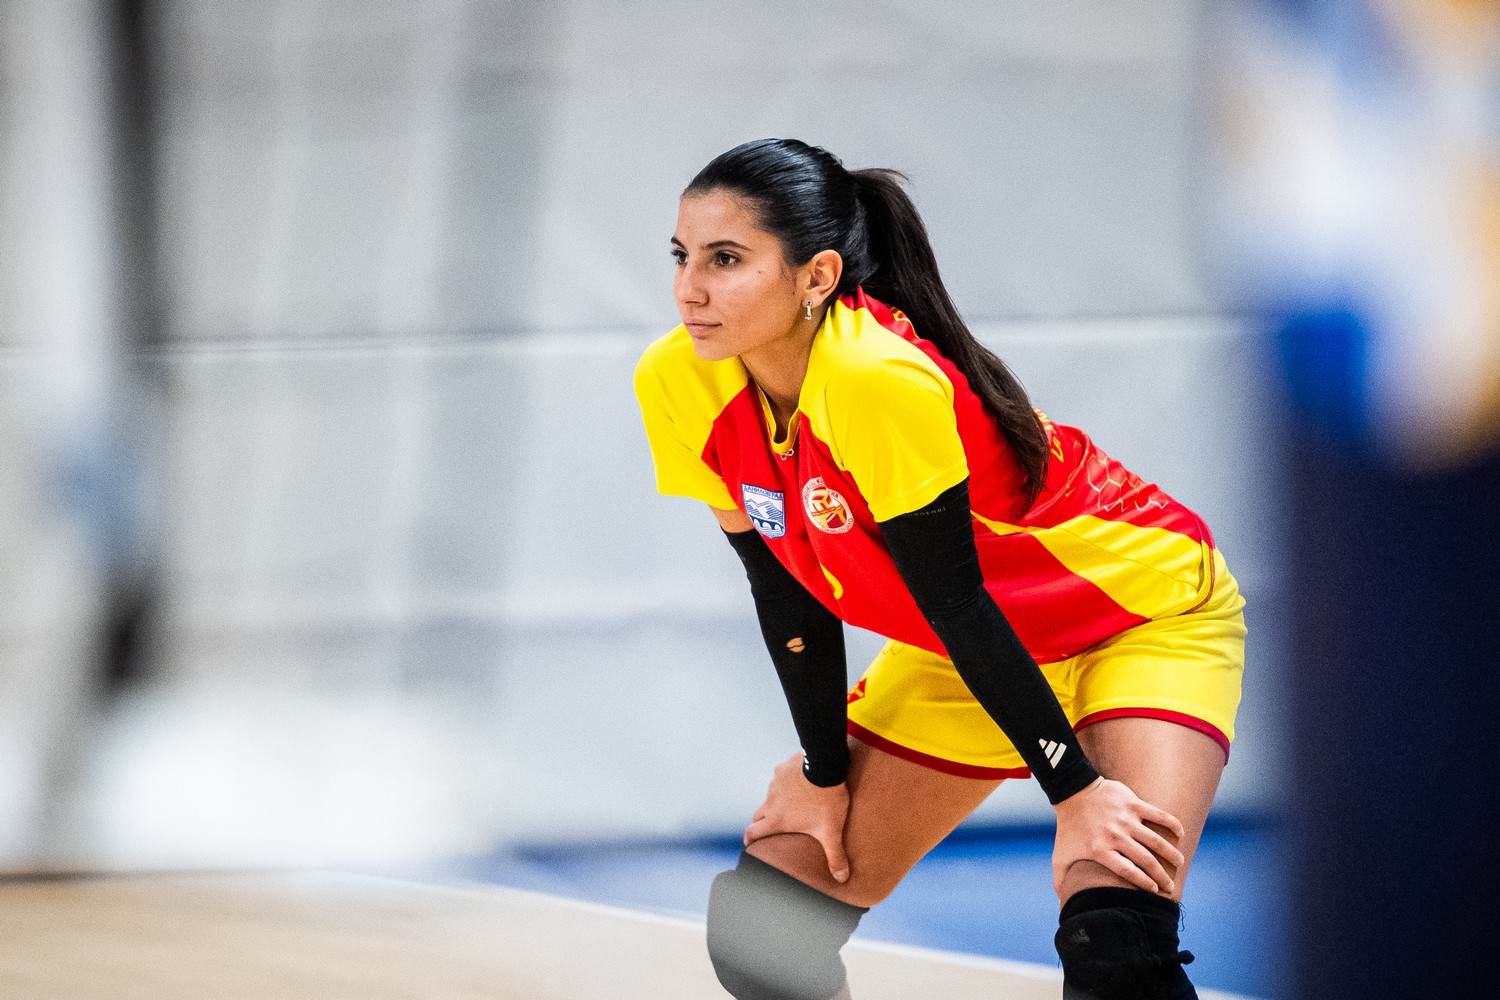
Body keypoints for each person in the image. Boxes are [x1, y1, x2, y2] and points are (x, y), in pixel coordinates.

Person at [633, 138, 1246, 1000]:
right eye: (682, 256)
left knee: (1116, 938)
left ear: (817, 276)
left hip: (1138, 618)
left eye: (726, 259)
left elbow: (957, 599)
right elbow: (783, 589)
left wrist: (1075, 793)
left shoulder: (871, 375)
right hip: (970, 650)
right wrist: (821, 774)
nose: (689, 288)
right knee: (763, 935)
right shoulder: (680, 380)